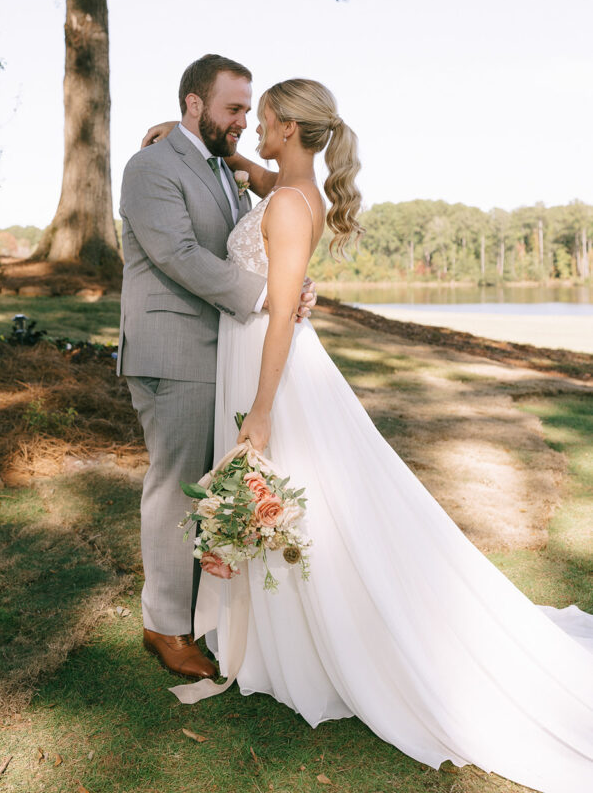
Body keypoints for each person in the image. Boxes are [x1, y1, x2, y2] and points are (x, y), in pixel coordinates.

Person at [161, 78, 593, 793]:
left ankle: (315, 643)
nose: (255, 132)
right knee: (296, 503)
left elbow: (278, 317)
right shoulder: (292, 188)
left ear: (290, 129)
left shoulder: (295, 207)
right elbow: (269, 182)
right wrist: (232, 164)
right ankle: (273, 636)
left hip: (273, 372)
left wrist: (261, 410)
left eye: (263, 121)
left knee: (302, 502)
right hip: (257, 359)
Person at [118, 54, 315, 681]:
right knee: (175, 487)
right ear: (195, 104)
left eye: (248, 112)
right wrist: (268, 296)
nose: (241, 122)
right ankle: (164, 626)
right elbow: (176, 254)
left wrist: (285, 285)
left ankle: (211, 613)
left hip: (222, 350)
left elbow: (266, 214)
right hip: (171, 350)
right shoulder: (150, 167)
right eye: (233, 110)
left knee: (213, 484)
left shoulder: (220, 165)